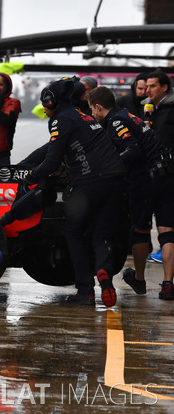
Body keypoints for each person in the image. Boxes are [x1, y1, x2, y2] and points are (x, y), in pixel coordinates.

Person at [24, 78, 126, 307]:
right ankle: (103, 272)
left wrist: (29, 176)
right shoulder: (84, 116)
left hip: (89, 184)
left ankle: (85, 290)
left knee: (74, 232)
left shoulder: (61, 120)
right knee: (101, 233)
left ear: (51, 101)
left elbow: (51, 161)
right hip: (116, 180)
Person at [87, 86, 174, 301]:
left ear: (98, 107)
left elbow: (132, 150)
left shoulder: (116, 122)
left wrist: (107, 168)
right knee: (167, 231)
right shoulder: (129, 116)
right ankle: (168, 284)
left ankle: (140, 279)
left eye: (91, 110)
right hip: (167, 175)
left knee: (140, 230)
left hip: (145, 180)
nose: (91, 114)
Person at [140, 70, 174, 296]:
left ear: (164, 87)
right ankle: (166, 282)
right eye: (146, 86)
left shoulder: (170, 109)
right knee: (164, 229)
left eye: (152, 86)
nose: (147, 90)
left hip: (164, 176)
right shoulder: (147, 109)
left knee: (151, 228)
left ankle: (156, 281)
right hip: (152, 175)